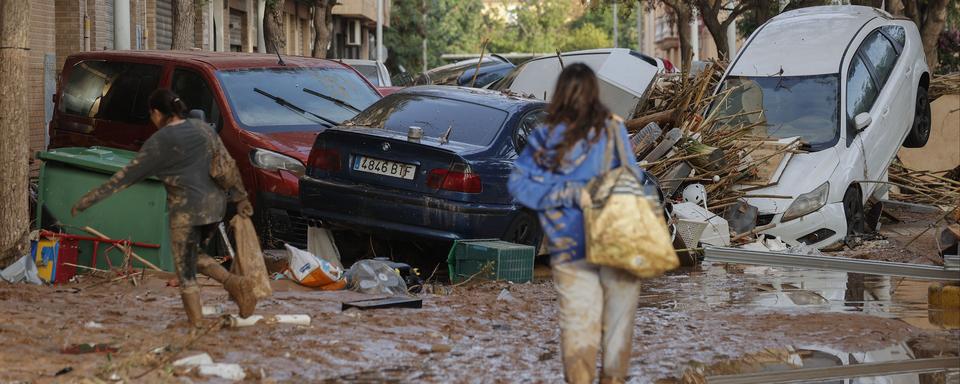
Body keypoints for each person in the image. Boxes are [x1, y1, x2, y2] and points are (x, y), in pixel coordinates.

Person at [71, 89, 257, 327]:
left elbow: (125, 177)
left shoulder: (159, 142)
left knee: (186, 270)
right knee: (195, 257)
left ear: (157, 113)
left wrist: (88, 200)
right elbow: (226, 166)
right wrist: (241, 197)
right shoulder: (202, 129)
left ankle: (197, 324)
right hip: (215, 207)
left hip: (187, 212)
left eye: (152, 115)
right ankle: (234, 284)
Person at [508, 64, 643, 384]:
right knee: (617, 328)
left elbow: (520, 186)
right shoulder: (612, 129)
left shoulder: (545, 136)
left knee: (579, 330)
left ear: (560, 94)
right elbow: (634, 177)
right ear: (595, 93)